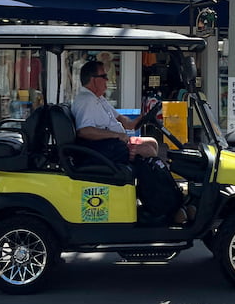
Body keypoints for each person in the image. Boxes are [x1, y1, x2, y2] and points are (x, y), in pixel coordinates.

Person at [71, 60, 189, 224]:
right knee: (147, 152)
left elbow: (125, 122)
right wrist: (117, 136)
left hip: (111, 145)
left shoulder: (99, 99)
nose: (108, 80)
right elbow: (84, 131)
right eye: (104, 76)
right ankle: (160, 205)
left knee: (152, 143)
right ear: (93, 79)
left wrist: (144, 117)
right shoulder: (86, 101)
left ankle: (155, 197)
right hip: (100, 150)